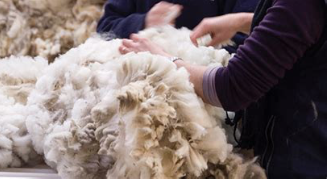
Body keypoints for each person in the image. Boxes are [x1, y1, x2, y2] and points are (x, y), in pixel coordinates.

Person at [118, 0, 327, 178]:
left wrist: (163, 60)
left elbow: (233, 87)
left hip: (303, 159)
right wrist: (242, 21)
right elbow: (296, 28)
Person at [97, 0, 259, 53]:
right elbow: (105, 26)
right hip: (139, 86)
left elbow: (251, 35)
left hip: (207, 91)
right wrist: (143, 22)